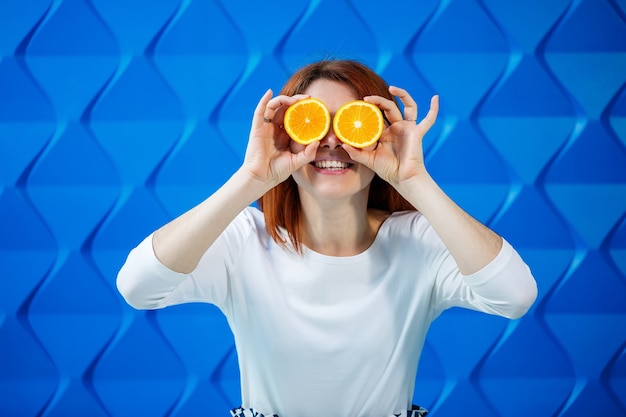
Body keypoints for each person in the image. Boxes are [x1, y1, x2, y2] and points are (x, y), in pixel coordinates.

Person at [116, 59, 538, 417]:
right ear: (284, 133)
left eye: (354, 123)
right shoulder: (243, 240)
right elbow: (138, 287)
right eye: (313, 122)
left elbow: (514, 296)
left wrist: (414, 178)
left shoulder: (418, 241)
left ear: (383, 135)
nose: (333, 141)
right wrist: (251, 179)